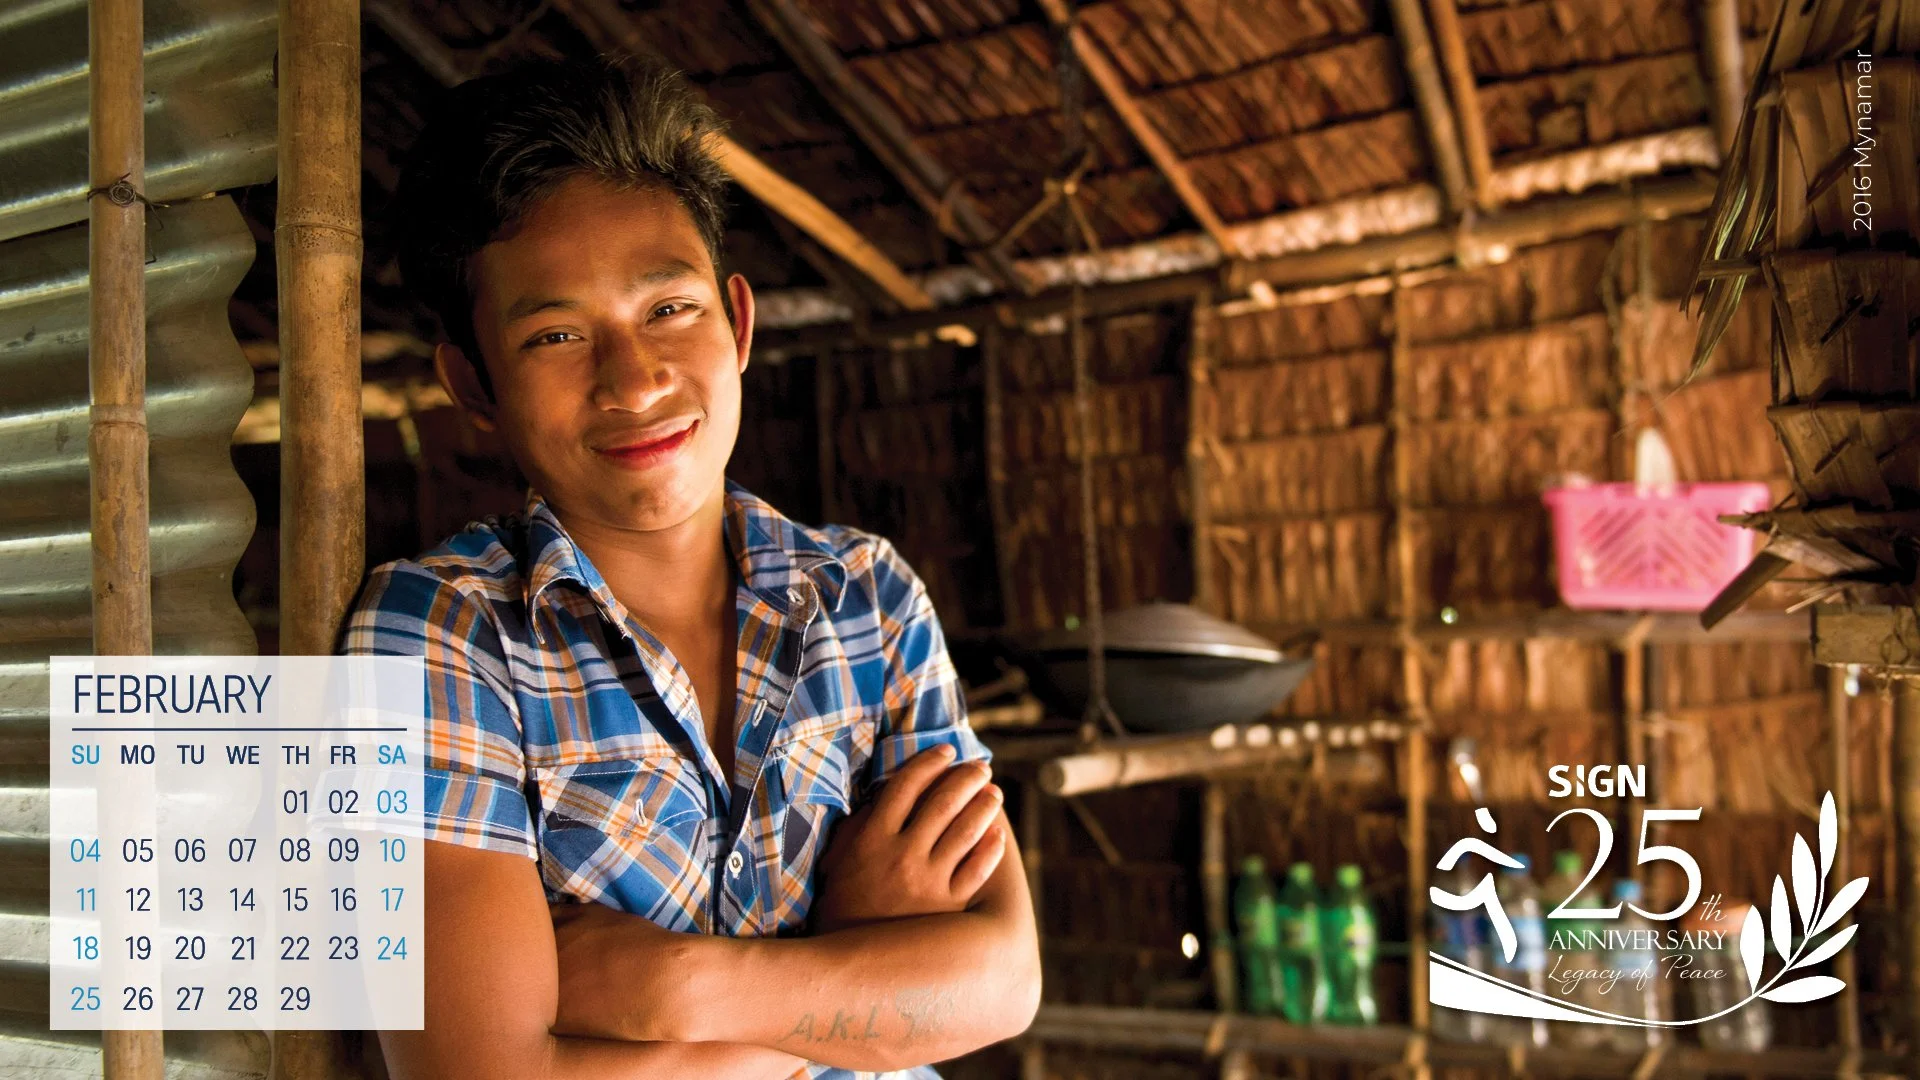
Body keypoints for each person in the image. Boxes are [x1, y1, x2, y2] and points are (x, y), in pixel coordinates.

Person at [340, 54, 1041, 1080]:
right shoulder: (440, 633)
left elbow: (1003, 982)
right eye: (556, 334)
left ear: (738, 322)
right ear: (474, 386)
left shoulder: (868, 597)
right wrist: (844, 969)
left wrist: (673, 987)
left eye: (669, 309)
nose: (634, 381)